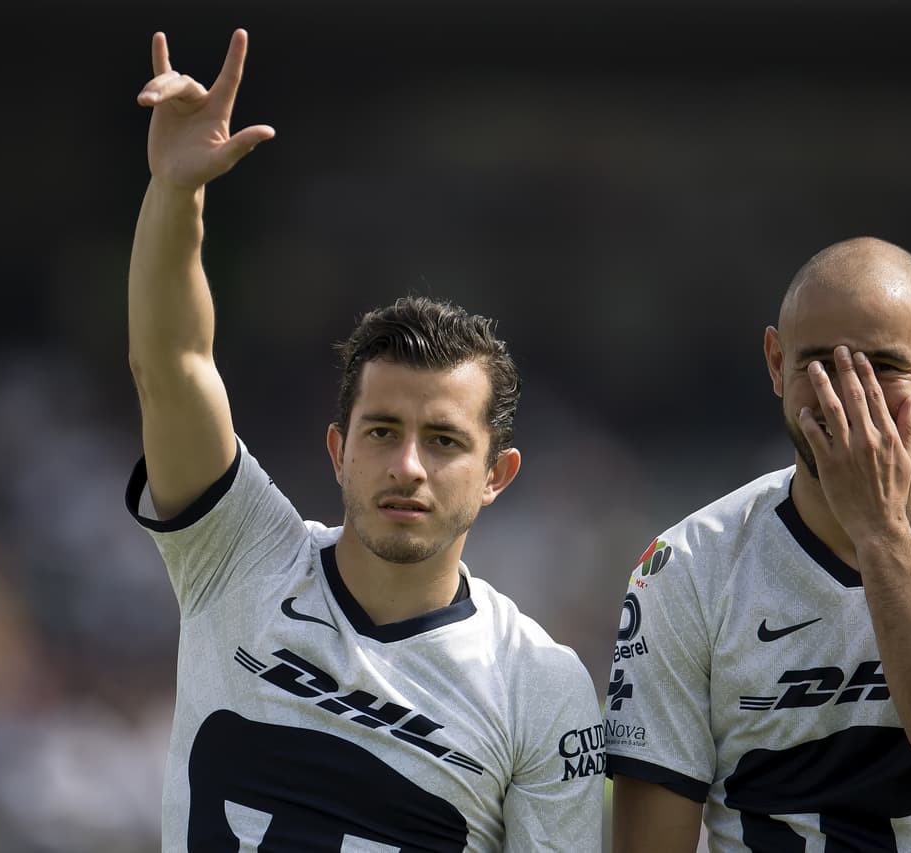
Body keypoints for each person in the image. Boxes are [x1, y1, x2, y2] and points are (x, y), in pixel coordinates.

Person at [125, 29, 604, 851]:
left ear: (498, 475)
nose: (408, 465)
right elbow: (173, 364)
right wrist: (177, 197)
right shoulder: (240, 556)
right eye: (382, 431)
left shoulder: (539, 684)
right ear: (339, 450)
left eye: (445, 441)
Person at [605, 237, 911, 852]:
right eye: (819, 366)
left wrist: (879, 529)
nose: (849, 397)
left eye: (884, 367)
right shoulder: (684, 568)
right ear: (774, 363)